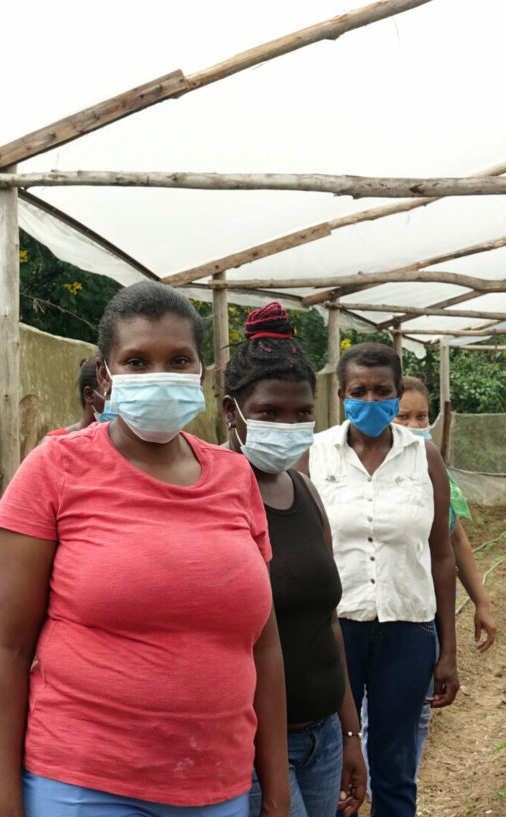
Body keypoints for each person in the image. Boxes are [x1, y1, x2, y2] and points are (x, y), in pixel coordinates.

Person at [0, 281, 288, 817]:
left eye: (177, 359)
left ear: (201, 371)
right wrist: (4, 804)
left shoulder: (235, 477)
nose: (158, 377)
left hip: (220, 786)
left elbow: (263, 647)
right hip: (84, 786)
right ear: (105, 375)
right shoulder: (55, 470)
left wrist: (276, 791)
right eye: (136, 362)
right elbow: (6, 650)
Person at [298, 343, 459, 817]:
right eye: (359, 391)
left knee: (395, 764)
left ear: (397, 392)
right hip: (333, 632)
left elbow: (441, 554)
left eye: (381, 391)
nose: (370, 401)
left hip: (407, 629)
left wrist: (447, 652)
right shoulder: (314, 455)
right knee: (335, 761)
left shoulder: (424, 457)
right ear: (340, 393)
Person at [221, 303, 366, 817]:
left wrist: (350, 730)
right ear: (231, 411)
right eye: (269, 413)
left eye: (303, 413)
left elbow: (328, 621)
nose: (289, 425)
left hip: (323, 736)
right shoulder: (208, 496)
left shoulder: (304, 491)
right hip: (254, 746)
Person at [394, 377, 496, 653]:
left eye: (421, 417)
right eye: (403, 417)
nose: (414, 426)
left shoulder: (437, 473)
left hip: (432, 604)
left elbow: (457, 539)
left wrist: (482, 603)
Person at [46, 356, 107, 437]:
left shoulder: (121, 442)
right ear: (89, 395)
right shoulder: (55, 443)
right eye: (110, 394)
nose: (118, 402)